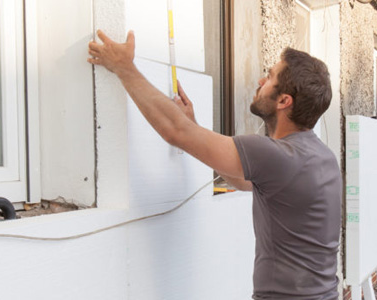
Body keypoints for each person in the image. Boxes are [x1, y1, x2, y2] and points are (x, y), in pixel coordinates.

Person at [88, 30, 342, 300]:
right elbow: (245, 181)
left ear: (283, 101)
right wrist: (195, 128)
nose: (259, 81)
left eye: (269, 76)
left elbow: (176, 132)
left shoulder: (276, 155)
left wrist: (124, 67)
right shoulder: (321, 157)